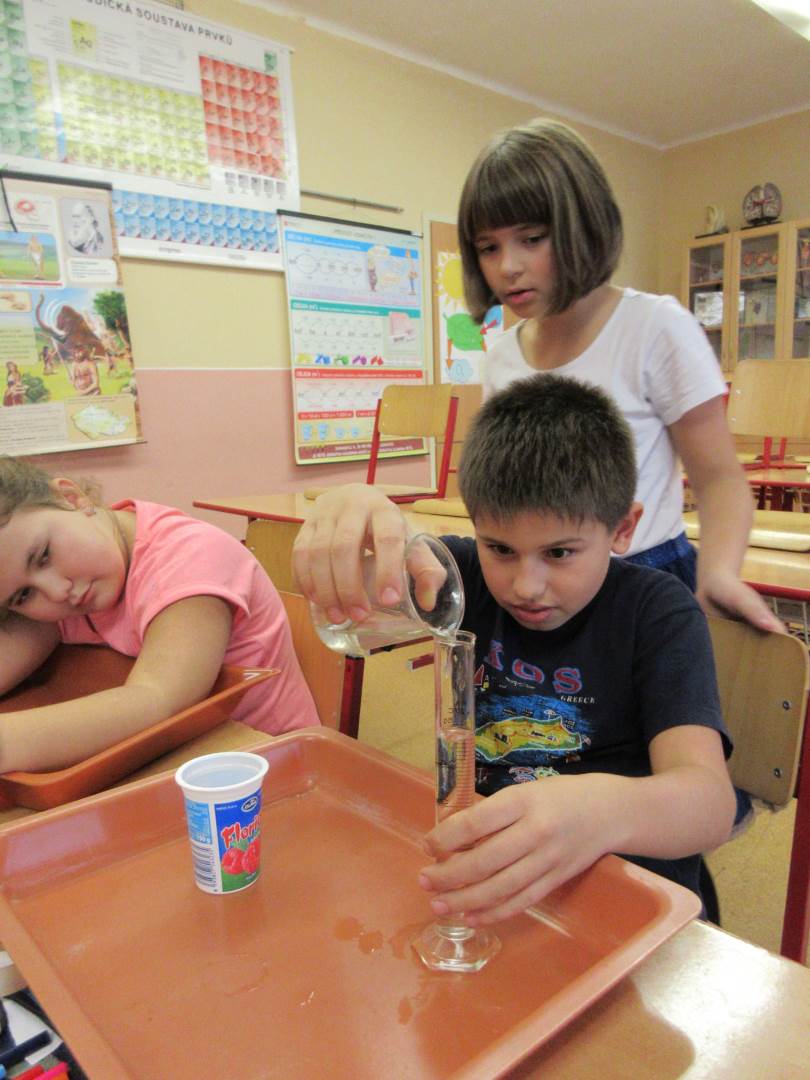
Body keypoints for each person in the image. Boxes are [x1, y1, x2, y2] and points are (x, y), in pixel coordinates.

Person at [292, 375, 736, 921]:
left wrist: (600, 810)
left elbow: (709, 804)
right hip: (498, 877)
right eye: (501, 548)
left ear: (623, 529)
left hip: (626, 892)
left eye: (559, 553)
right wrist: (352, 512)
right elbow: (368, 582)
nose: (526, 586)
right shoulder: (465, 578)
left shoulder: (657, 612)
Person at [456, 117, 781, 634]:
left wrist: (718, 572)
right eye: (488, 247)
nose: (508, 266)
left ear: (583, 226)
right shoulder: (501, 359)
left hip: (645, 579)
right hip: (541, 588)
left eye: (532, 239)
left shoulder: (655, 327)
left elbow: (719, 478)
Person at [0, 458, 319, 774]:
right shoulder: (71, 585)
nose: (57, 591)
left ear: (70, 499)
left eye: (44, 556)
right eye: (23, 595)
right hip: (174, 764)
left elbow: (157, 700)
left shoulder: (191, 559)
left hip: (277, 767)